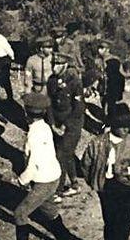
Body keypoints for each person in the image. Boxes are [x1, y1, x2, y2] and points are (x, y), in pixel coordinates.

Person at [81, 107, 130, 240]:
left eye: (128, 126)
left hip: (127, 188)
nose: (126, 129)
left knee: (124, 223)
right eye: (121, 126)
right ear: (113, 125)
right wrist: (94, 181)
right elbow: (86, 164)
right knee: (109, 222)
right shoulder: (98, 142)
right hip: (106, 189)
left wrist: (129, 173)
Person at [15, 92, 75, 240]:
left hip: (44, 181)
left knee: (20, 214)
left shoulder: (34, 134)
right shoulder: (45, 127)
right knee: (49, 212)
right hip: (53, 176)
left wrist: (22, 180)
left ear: (26, 113)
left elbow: (33, 164)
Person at [46, 52, 85, 199]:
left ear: (65, 65)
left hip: (72, 124)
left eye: (57, 65)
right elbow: (49, 103)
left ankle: (58, 190)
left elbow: (79, 108)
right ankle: (74, 183)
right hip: (57, 123)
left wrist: (65, 126)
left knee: (60, 156)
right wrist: (52, 123)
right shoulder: (51, 81)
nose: (54, 68)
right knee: (65, 154)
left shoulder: (74, 82)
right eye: (52, 64)